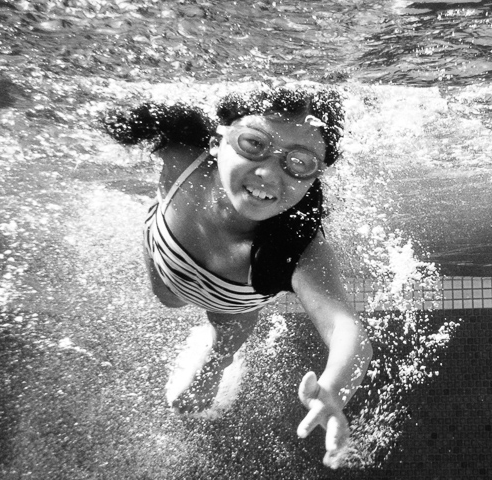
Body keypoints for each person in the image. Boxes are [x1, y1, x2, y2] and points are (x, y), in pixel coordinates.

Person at [100, 86, 371, 469]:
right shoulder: (182, 161)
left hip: (230, 307)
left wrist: (334, 389)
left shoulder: (300, 250)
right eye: (253, 143)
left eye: (299, 162)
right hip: (164, 254)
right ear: (216, 141)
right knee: (168, 297)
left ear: (316, 176)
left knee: (225, 339)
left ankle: (217, 361)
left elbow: (346, 330)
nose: (267, 174)